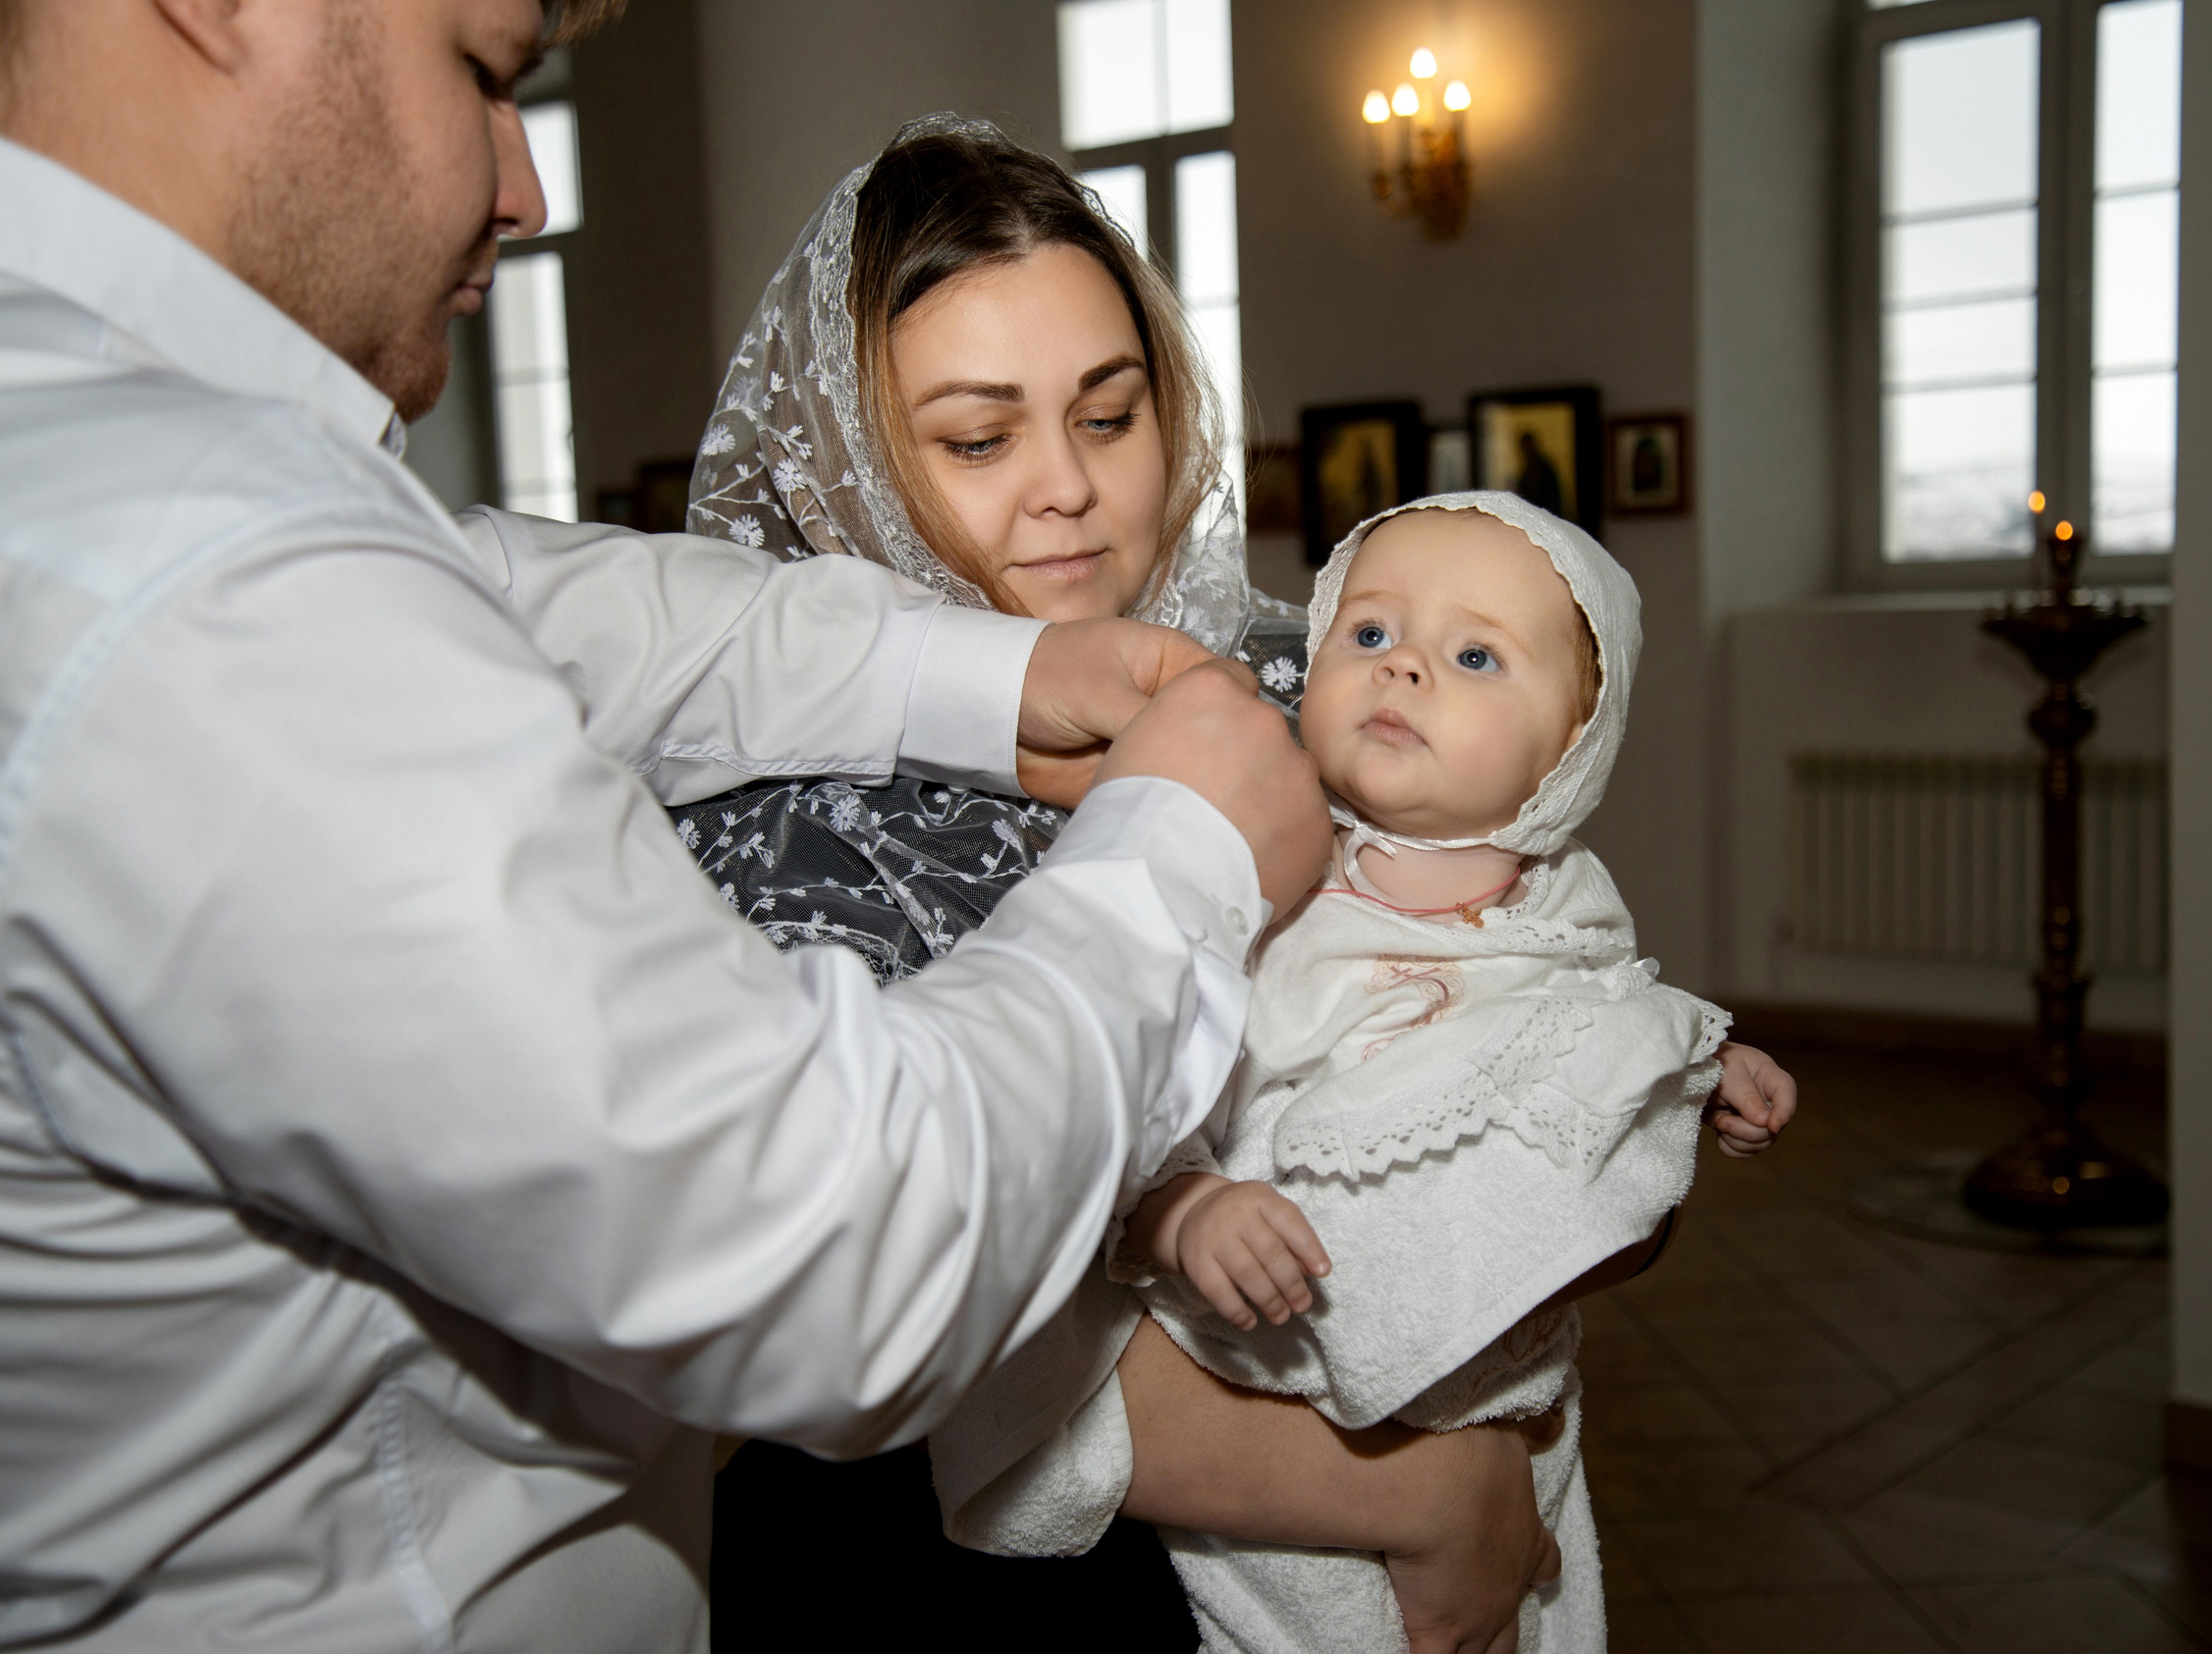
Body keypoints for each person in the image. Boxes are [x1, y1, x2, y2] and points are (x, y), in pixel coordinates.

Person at [0, 3, 1516, 1648]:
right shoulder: (198, 579)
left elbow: (543, 597)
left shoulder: (158, 476)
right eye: (485, 71)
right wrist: (1186, 850)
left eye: (1107, 410)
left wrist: (1003, 679)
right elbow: (834, 1251)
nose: (524, 186)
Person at [667, 119, 1574, 1651]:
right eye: (978, 439)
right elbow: (900, 1295)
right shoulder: (780, 828)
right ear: (844, 465)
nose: (1069, 490)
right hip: (981, 1577)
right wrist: (1415, 1493)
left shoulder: (1309, 673)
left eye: (1108, 412)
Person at [954, 494, 1796, 1652]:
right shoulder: (1259, 865)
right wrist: (1181, 1203)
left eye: (1474, 654)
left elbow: (1601, 1026)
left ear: (1572, 742)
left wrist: (1694, 1070)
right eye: (1368, 632)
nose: (1401, 665)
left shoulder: (1566, 902)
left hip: (1496, 1394)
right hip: (1263, 1375)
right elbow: (1150, 1058)